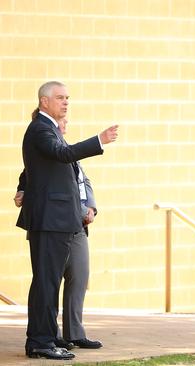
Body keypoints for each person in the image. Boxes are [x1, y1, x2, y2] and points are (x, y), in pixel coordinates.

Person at [17, 81, 118, 360]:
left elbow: (45, 168)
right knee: (46, 283)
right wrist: (98, 140)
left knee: (48, 283)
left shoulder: (50, 129)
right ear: (44, 101)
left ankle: (46, 338)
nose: (65, 102)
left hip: (59, 220)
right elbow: (61, 155)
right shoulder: (40, 129)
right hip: (50, 220)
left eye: (67, 98)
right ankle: (41, 342)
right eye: (60, 98)